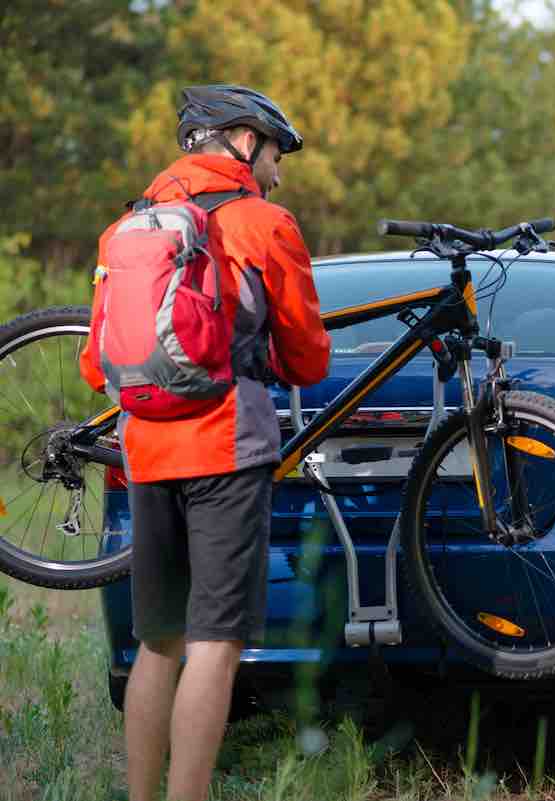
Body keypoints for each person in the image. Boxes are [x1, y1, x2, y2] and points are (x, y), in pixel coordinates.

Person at [79, 85, 331, 801]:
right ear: (244, 142)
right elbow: (308, 359)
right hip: (226, 449)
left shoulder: (124, 228)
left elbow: (97, 364)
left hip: (145, 455)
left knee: (158, 640)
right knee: (216, 643)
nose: (278, 170)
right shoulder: (265, 223)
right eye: (276, 152)